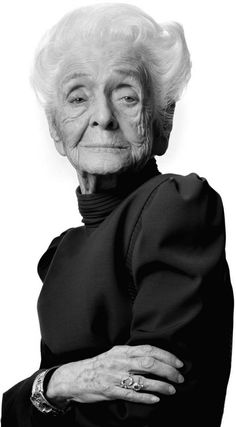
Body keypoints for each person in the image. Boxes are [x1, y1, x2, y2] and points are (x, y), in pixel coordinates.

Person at [1, 3, 234, 427]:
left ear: (162, 123)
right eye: (78, 97)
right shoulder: (61, 252)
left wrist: (38, 395)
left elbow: (153, 408)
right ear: (56, 128)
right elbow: (44, 400)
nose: (104, 117)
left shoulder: (177, 205)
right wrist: (56, 384)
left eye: (127, 96)